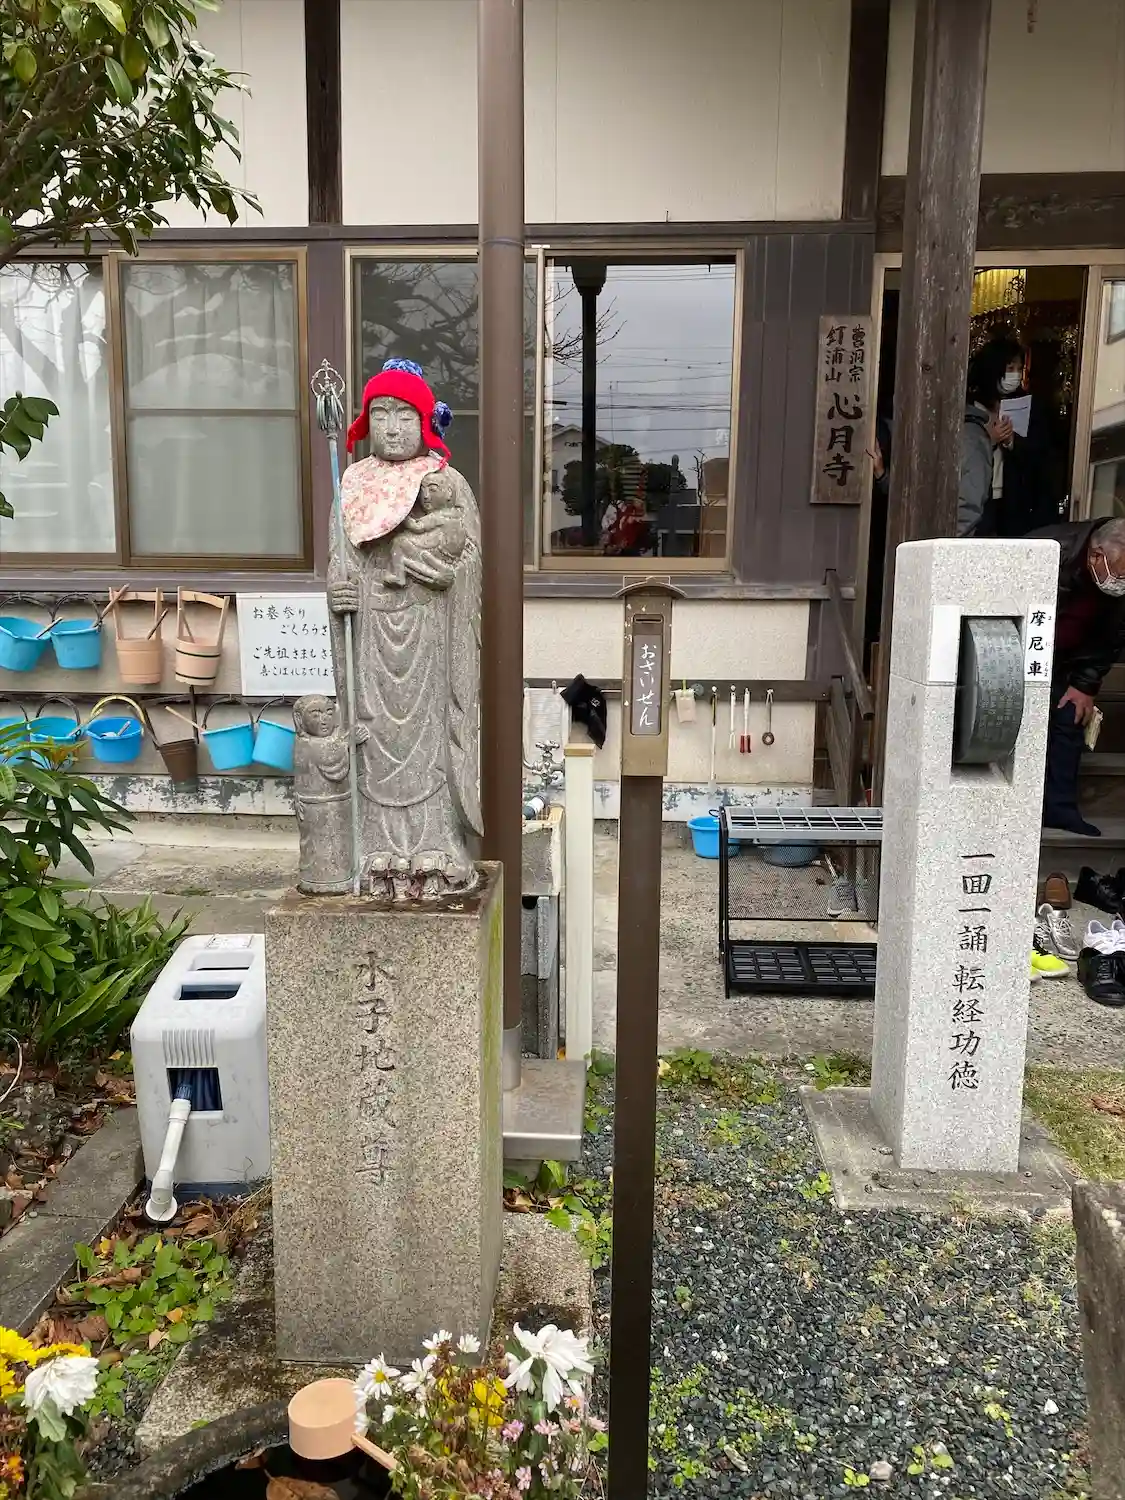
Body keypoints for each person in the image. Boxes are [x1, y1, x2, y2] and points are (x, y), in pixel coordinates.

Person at [1028, 516, 1125, 837]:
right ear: (1096, 556)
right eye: (1119, 576)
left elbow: (1112, 637)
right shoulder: (1049, 548)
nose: (1121, 585)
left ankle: (1060, 809)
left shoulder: (1117, 583)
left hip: (1070, 660)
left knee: (1072, 715)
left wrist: (1085, 684)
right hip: (1021, 649)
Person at [958, 340, 1020, 537]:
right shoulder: (970, 410)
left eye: (1019, 369)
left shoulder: (1021, 407)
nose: (1016, 375)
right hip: (978, 497)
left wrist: (1010, 442)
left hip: (1007, 500)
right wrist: (989, 440)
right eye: (1010, 368)